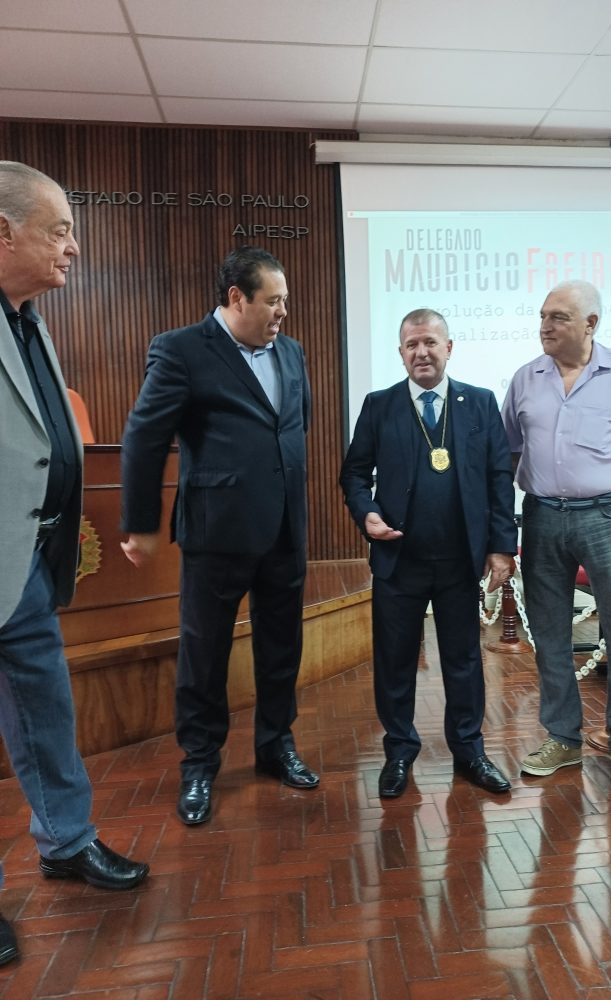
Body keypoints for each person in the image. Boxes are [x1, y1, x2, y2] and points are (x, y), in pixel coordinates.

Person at [0, 161, 149, 965]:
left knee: (46, 711)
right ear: (3, 232)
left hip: (26, 559)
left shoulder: (28, 320)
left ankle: (66, 839)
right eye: (59, 230)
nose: (74, 247)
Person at [120, 246, 318, 827]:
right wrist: (141, 523)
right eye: (273, 301)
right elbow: (144, 438)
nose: (283, 311)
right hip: (217, 532)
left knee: (281, 647)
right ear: (237, 297)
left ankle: (275, 745)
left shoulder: (292, 351)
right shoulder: (181, 349)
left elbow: (293, 429)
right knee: (204, 655)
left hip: (284, 528)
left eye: (284, 300)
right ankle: (200, 763)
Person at [340, 308, 517, 799]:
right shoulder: (380, 405)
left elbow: (499, 477)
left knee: (463, 660)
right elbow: (354, 473)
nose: (421, 352)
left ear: (448, 348)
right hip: (399, 559)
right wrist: (366, 513)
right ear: (401, 353)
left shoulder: (479, 402)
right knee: (395, 661)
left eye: (430, 343)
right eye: (412, 345)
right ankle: (399, 749)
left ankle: (469, 750)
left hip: (461, 559)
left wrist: (502, 546)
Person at [501, 280, 611, 797]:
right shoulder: (525, 379)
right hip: (542, 518)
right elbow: (508, 451)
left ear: (590, 324)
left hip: (609, 517)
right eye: (542, 316)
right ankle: (562, 739)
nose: (544, 326)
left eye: (558, 317)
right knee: (549, 634)